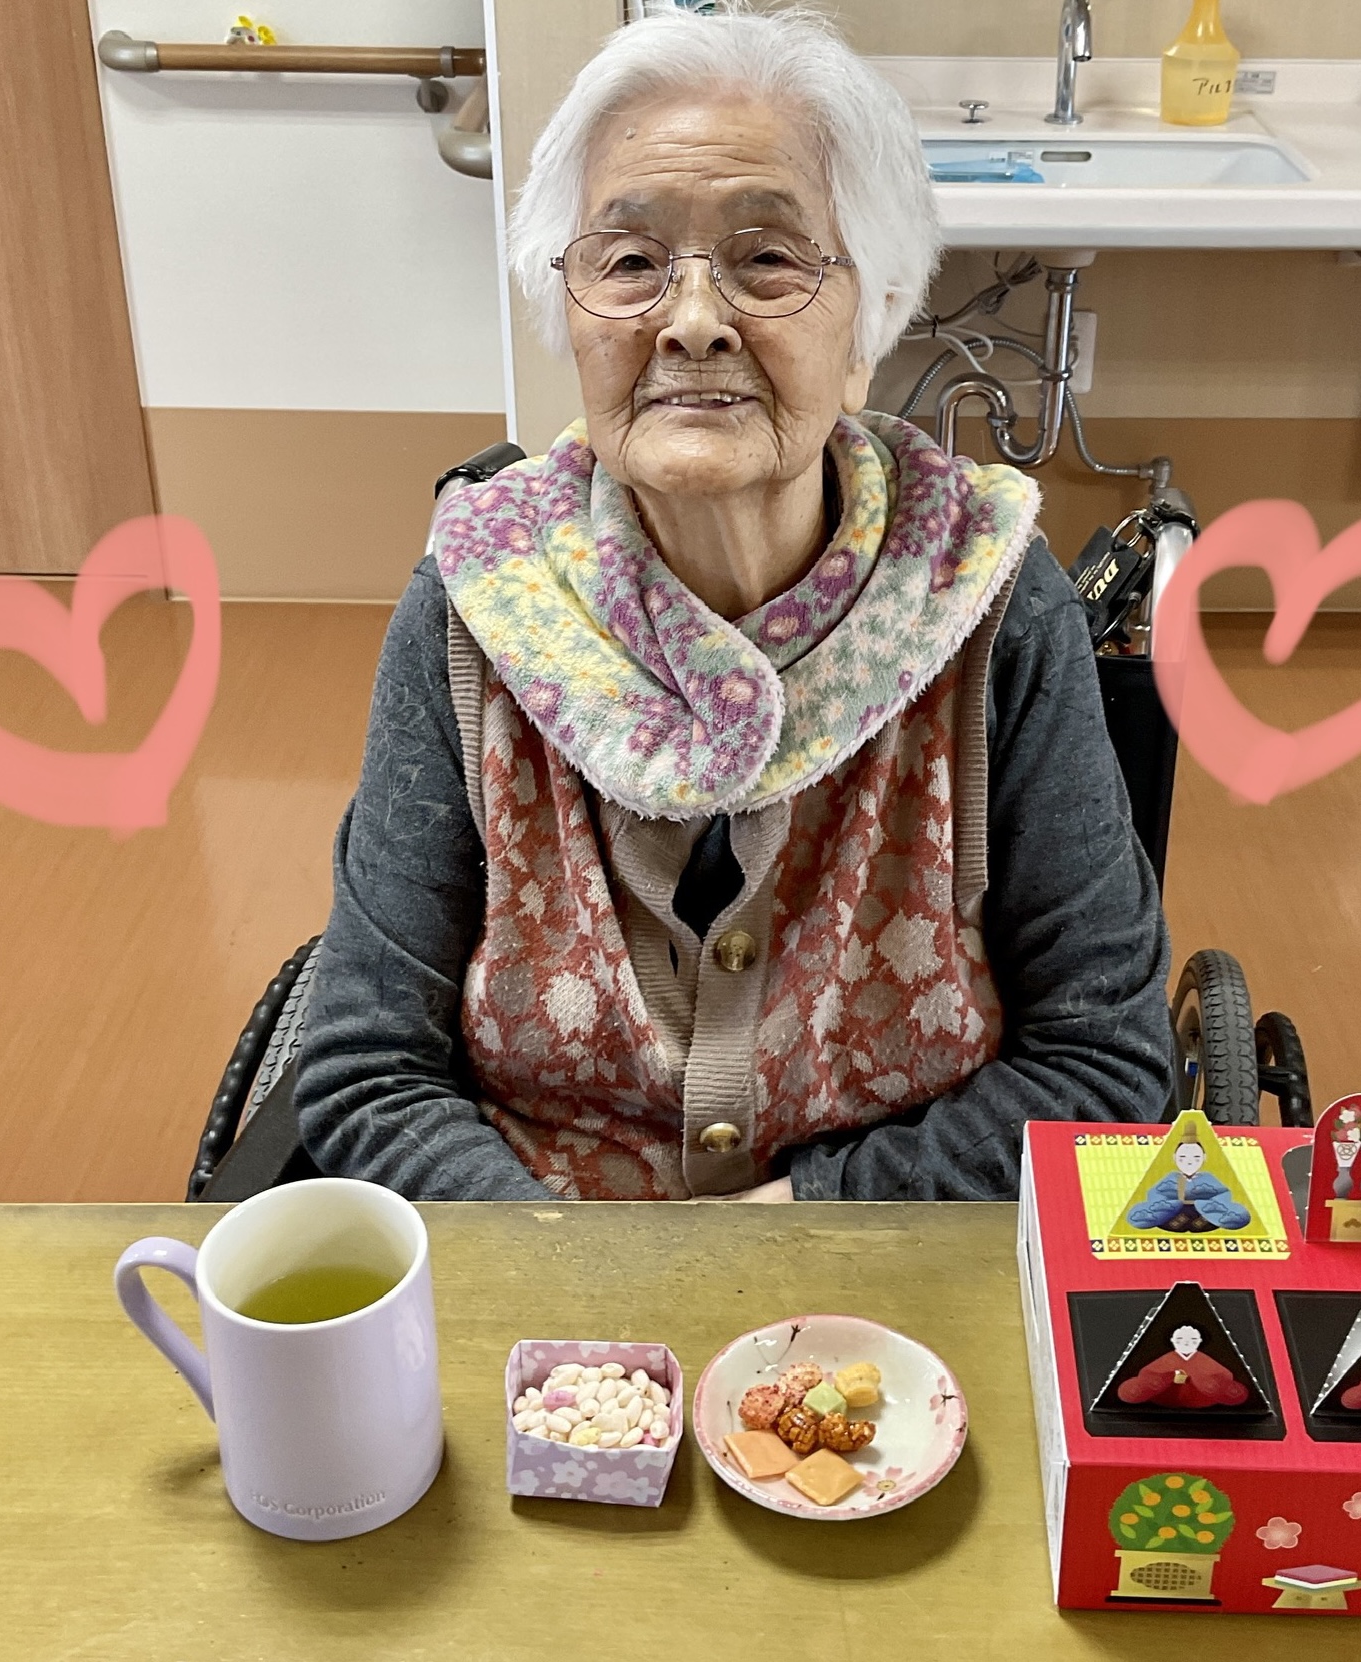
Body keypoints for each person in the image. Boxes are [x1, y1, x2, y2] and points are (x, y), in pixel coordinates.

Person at [295, 8, 1173, 1203]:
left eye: (767, 259)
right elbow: (366, 1073)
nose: (694, 318)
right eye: (629, 263)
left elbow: (1103, 1065)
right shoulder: (473, 607)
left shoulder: (989, 601)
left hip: (892, 1277)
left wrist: (799, 1224)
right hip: (546, 1283)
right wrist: (578, 1283)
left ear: (870, 320)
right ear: (570, 317)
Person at [1125, 1131, 1252, 1232]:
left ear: (1204, 1158)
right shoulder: (1171, 1177)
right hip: (1174, 1215)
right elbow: (1155, 1194)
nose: (1189, 1162)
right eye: (1182, 1157)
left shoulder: (1208, 1177)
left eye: (1196, 1157)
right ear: (1174, 1157)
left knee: (1239, 1215)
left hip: (1202, 1216)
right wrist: (1172, 1203)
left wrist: (1204, 1203)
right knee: (1139, 1215)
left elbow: (1223, 1194)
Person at [1117, 1324, 1250, 1408]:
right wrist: (1170, 1377)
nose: (1186, 1343)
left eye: (1192, 1340)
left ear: (1199, 1341)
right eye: (1180, 1340)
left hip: (1200, 1397)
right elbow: (1149, 1373)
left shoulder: (1202, 1358)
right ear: (1173, 1341)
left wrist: (1199, 1378)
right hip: (1169, 1397)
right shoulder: (1169, 1357)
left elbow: (1222, 1375)